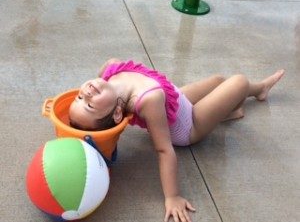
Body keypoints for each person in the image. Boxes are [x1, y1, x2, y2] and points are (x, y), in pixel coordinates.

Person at [69, 59, 285, 222]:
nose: (86, 93)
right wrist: (172, 197)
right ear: (117, 114)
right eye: (90, 105)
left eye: (80, 98)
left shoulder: (110, 70)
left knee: (219, 81)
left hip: (175, 102)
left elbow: (104, 117)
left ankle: (236, 105)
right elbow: (164, 150)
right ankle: (252, 93)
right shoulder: (148, 99)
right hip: (188, 126)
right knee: (238, 82)